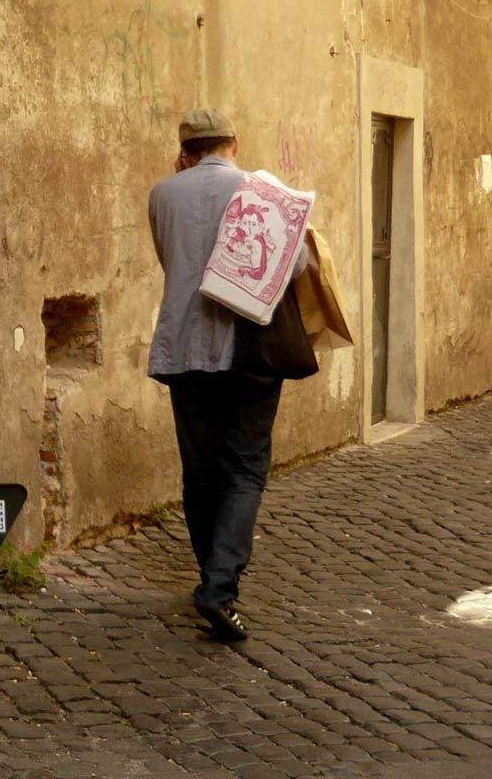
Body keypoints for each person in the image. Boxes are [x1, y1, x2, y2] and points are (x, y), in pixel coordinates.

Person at [146, 108, 302, 643]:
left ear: (185, 149)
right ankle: (218, 587)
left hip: (184, 346)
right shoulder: (261, 192)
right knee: (244, 469)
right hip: (248, 350)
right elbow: (295, 264)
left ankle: (208, 575)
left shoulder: (163, 193)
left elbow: (170, 260)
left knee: (200, 471)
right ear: (235, 142)